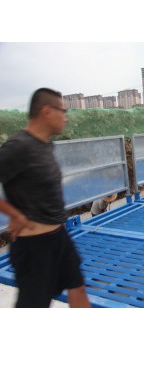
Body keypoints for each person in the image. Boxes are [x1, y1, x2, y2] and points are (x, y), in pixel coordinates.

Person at [0, 88, 91, 308]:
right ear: (47, 111)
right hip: (33, 247)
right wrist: (14, 215)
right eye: (63, 111)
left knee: (78, 288)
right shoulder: (19, 147)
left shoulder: (45, 144)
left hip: (58, 237)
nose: (66, 117)